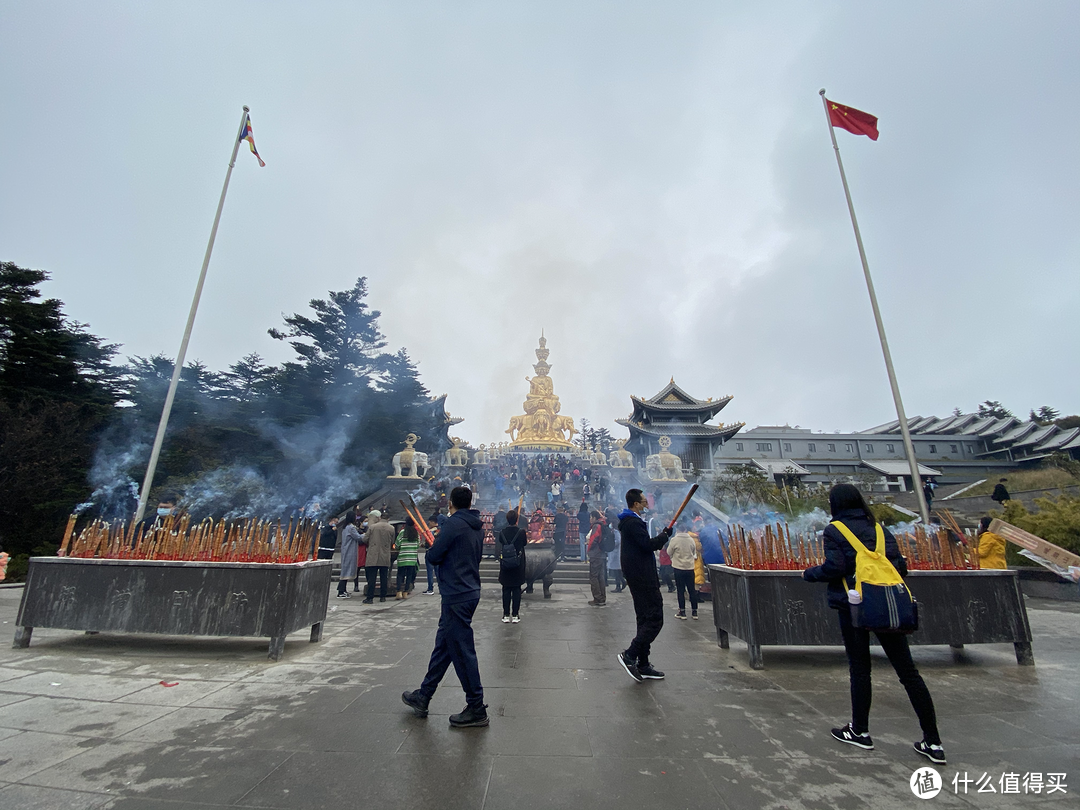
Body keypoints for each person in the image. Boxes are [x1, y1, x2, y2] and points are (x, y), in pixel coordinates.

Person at [803, 483, 945, 765]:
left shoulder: (835, 530)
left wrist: (810, 574)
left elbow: (835, 567)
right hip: (886, 605)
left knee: (860, 669)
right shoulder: (880, 530)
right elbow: (899, 567)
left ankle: (860, 730)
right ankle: (933, 741)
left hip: (853, 606)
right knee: (908, 672)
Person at [402, 487, 488, 728]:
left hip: (456, 593)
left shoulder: (452, 525)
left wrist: (433, 545)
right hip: (469, 589)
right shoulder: (477, 527)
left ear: (451, 502)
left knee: (461, 651)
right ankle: (424, 695)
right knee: (444, 647)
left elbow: (435, 556)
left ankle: (476, 706)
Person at [616, 488, 672, 682]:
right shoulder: (632, 523)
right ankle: (630, 654)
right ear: (635, 504)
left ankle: (643, 663)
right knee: (655, 618)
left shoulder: (630, 522)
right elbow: (647, 545)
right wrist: (664, 536)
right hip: (642, 576)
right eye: (643, 501)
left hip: (638, 575)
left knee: (644, 618)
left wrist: (664, 535)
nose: (646, 504)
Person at [498, 509, 528, 623]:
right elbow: (524, 543)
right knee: (516, 590)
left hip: (505, 563)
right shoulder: (521, 532)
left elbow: (500, 543)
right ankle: (515, 614)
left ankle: (506, 614)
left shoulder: (502, 532)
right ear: (516, 520)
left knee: (506, 589)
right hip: (518, 564)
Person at [667, 519, 699, 620]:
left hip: (678, 568)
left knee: (680, 590)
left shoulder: (674, 540)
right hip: (689, 568)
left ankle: (683, 612)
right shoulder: (691, 540)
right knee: (692, 590)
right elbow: (694, 551)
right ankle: (694, 612)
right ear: (685, 529)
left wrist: (674, 558)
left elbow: (669, 552)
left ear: (677, 530)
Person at [362, 510, 394, 604]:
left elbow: (365, 539)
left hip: (373, 554)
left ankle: (370, 597)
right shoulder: (391, 528)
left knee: (372, 577)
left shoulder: (372, 527)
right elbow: (392, 541)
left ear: (380, 518)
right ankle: (383, 596)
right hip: (385, 554)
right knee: (384, 577)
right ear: (388, 519)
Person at [395, 518, 421, 599]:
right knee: (409, 576)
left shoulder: (402, 532)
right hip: (412, 558)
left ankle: (399, 592)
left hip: (403, 557)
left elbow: (397, 544)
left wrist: (398, 548)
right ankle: (406, 592)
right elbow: (418, 545)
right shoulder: (416, 533)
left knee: (400, 575)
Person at [336, 512, 360, 598]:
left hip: (346, 550)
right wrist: (365, 535)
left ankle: (343, 590)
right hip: (349, 551)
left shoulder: (345, 527)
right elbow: (358, 537)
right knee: (346, 571)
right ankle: (341, 591)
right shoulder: (351, 528)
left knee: (346, 569)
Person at [586, 510, 607, 606]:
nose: (590, 519)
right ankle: (602, 597)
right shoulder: (603, 524)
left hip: (596, 554)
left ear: (594, 517)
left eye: (591, 517)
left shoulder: (596, 526)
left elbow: (594, 539)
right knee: (600, 577)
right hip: (602, 554)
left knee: (594, 577)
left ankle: (597, 598)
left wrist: (588, 549)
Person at [423, 508, 441, 595]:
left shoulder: (430, 532)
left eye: (430, 522)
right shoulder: (441, 531)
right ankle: (441, 588)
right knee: (438, 572)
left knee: (430, 572)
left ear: (433, 522)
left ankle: (430, 588)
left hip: (430, 553)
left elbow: (427, 543)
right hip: (439, 553)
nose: (429, 523)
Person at [607, 516, 625, 593]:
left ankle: (619, 585)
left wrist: (611, 544)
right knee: (616, 571)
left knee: (617, 571)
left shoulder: (616, 532)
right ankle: (621, 583)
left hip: (616, 554)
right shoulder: (613, 531)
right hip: (614, 553)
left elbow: (618, 541)